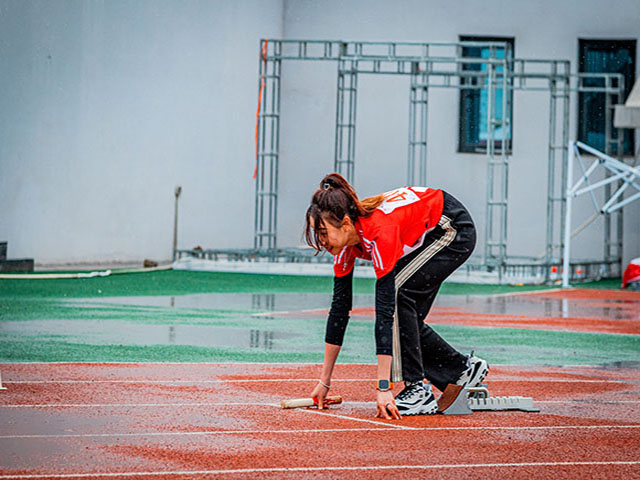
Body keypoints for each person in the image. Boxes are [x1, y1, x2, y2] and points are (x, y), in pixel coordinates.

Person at [304, 173, 488, 419]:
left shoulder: (380, 232)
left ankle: (417, 390)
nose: (321, 241)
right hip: (431, 230)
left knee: (398, 295)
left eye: (323, 232)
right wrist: (324, 381)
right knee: (405, 317)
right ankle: (461, 369)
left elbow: (384, 312)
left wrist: (383, 387)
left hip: (452, 228)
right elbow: (339, 310)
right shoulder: (345, 246)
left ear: (345, 223)